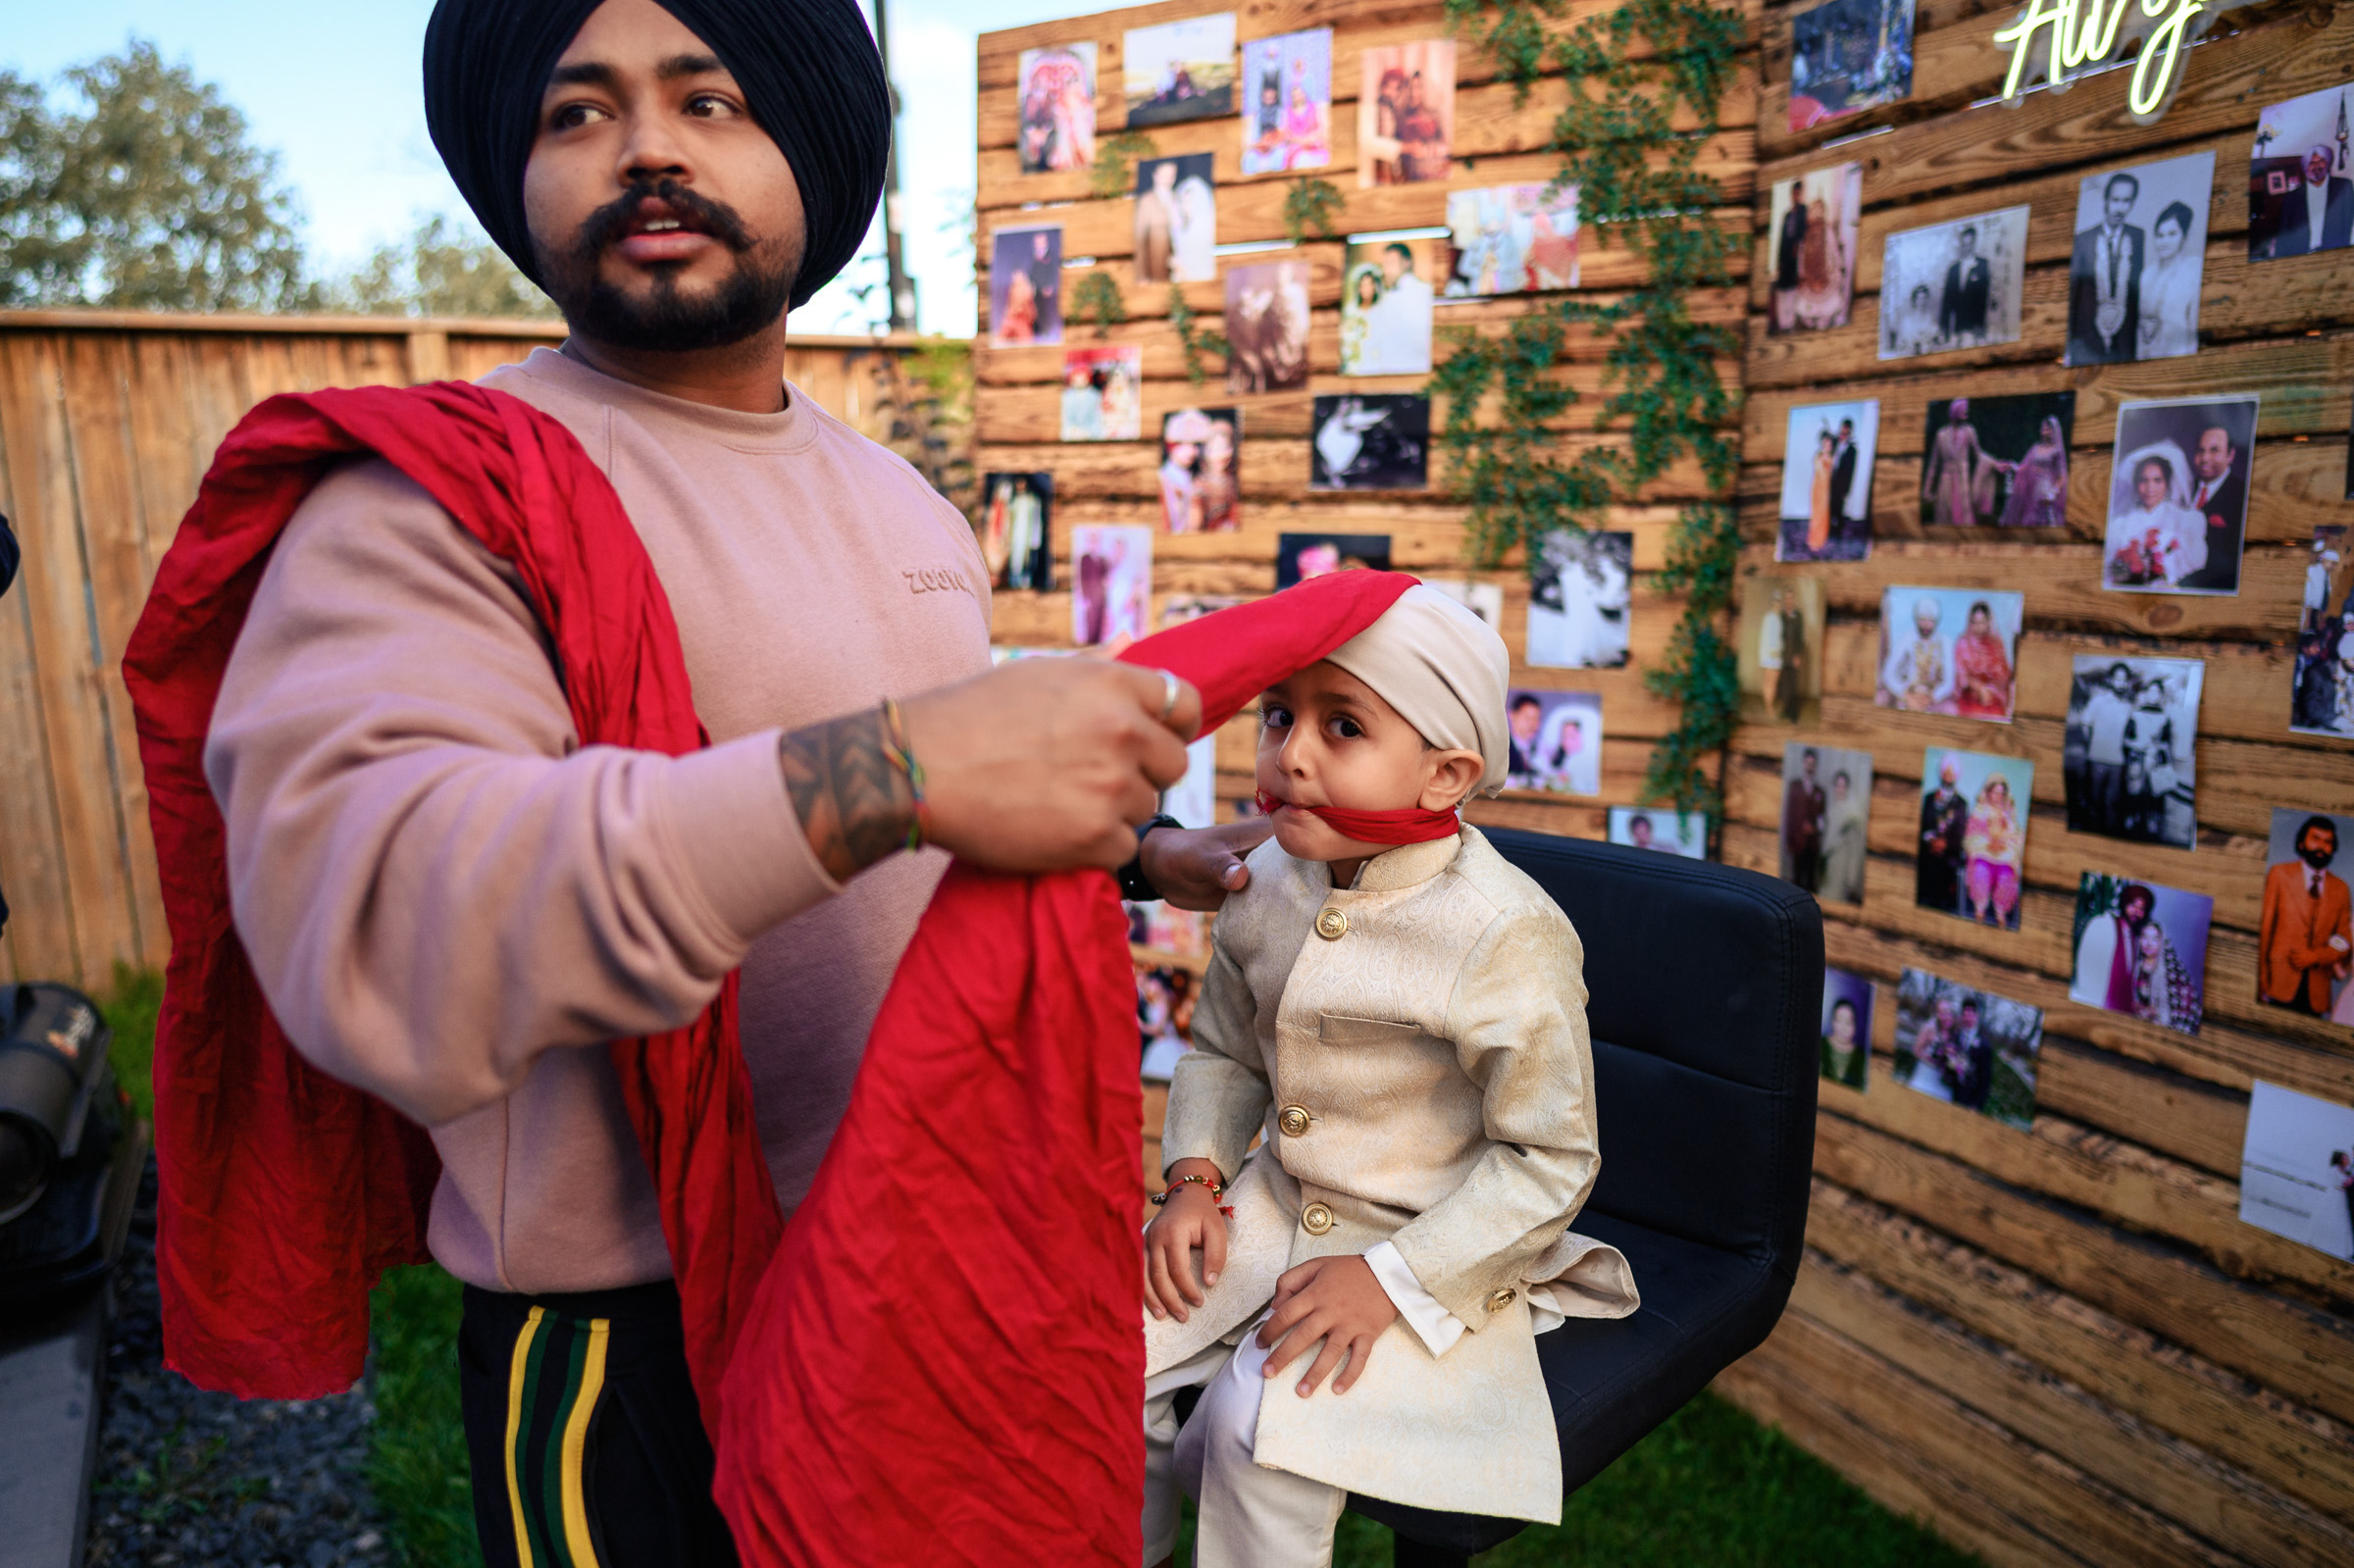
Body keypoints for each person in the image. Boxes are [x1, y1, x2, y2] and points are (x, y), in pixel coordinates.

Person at [184, 6, 1268, 1557]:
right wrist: (892, 769)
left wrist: (1144, 844)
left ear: (808, 151)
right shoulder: (432, 499)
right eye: (577, 112)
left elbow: (939, 806)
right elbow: (370, 908)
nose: (647, 149)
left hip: (917, 1241)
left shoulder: (898, 495)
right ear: (516, 167)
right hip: (628, 1326)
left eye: (712, 98)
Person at [1137, 586, 1639, 1568]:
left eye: (1344, 725)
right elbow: (1229, 1053)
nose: (1292, 753)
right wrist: (1193, 1180)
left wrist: (1392, 1282)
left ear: (1446, 773)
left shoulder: (1504, 933)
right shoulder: (1268, 881)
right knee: (1101, 1361)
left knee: (1257, 1429)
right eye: (1280, 715)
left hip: (1426, 1238)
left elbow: (1548, 1157)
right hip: (1269, 1207)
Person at [2261, 815, 2353, 1015]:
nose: (2322, 846)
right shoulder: (2279, 874)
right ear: (2302, 843)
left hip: (2316, 991)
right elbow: (2265, 929)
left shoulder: (2341, 889)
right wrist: (2260, 978)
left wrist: (2317, 956)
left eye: (2328, 842)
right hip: (2277, 982)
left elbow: (2345, 939)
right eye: (2316, 839)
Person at [2070, 172, 2144, 364]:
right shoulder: (2084, 239)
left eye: (2126, 201)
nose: (2119, 208)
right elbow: (2074, 294)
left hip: (2125, 339)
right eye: (2115, 200)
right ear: (2106, 200)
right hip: (2087, 338)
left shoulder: (2137, 236)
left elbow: (2138, 290)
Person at [2107, 449, 2207, 587]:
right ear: (2136, 483)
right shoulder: (2120, 525)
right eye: (2144, 480)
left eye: (2157, 480)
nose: (2150, 488)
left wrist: (2162, 566)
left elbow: (2195, 564)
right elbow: (2111, 573)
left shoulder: (2184, 520)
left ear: (2167, 483)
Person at [2175, 424, 2247, 592]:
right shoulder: (2183, 487)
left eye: (2214, 450)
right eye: (2200, 451)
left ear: (2230, 455)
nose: (2205, 458)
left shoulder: (2241, 496)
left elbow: (2231, 565)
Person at [2072, 882, 2156, 1012]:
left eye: (2141, 909)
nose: (2136, 912)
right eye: (2133, 905)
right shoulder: (2103, 924)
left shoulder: (2136, 939)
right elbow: (2085, 965)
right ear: (2124, 904)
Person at [2075, 662, 2135, 835]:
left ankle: (2108, 839)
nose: (2121, 683)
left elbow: (2130, 734)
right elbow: (2085, 724)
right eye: (2118, 679)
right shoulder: (2098, 701)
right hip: (2096, 760)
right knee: (2094, 801)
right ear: (2110, 680)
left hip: (2118, 763)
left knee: (2112, 803)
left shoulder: (2128, 706)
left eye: (2125, 680)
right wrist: (2092, 747)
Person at [2266, 143, 2354, 258]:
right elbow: (2284, 232)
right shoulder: (2292, 197)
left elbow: (2350, 222)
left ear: (2327, 163)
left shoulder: (2343, 187)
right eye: (2311, 163)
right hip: (2302, 254)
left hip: (2334, 253)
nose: (2317, 166)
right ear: (2305, 167)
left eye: (2321, 160)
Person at [2136, 201, 2199, 359]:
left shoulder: (2192, 271)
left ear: (2183, 236)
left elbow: (2193, 324)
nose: (2164, 242)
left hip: (2180, 358)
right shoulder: (2147, 275)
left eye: (2172, 234)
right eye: (2160, 235)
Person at [1923, 399, 2001, 528]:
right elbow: (1933, 464)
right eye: (1964, 408)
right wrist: (1927, 490)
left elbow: (1979, 455)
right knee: (1944, 516)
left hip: (1961, 481)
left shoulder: (1969, 431)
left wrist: (1995, 464)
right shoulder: (1941, 435)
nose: (1966, 411)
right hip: (1946, 481)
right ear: (1955, 410)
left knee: (1963, 517)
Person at [1965, 773, 2022, 929]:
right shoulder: (1979, 811)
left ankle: (2000, 911)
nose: (1997, 796)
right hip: (1983, 854)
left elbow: (2015, 838)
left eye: (2000, 792)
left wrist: (2004, 844)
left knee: (2006, 874)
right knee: (1980, 870)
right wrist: (1988, 844)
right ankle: (1980, 908)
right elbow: (1971, 836)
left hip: (2003, 856)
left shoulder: (2009, 813)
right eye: (1994, 792)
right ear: (1988, 792)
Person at [2128, 918, 2202, 1034]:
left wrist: (2154, 1013)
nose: (2148, 943)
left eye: (2154, 939)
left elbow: (2170, 1012)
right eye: (2145, 937)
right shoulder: (2136, 966)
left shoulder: (2169, 970)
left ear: (2161, 942)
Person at [1999, 415, 2070, 528]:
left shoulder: (2056, 450)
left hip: (2045, 487)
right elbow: (2024, 467)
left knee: (2042, 518)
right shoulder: (2035, 447)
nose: (2044, 430)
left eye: (2047, 428)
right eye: (2043, 428)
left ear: (2053, 431)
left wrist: (2053, 492)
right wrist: (2012, 466)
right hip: (2031, 487)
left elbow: (2062, 476)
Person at [1881, 596, 1951, 712]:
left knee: (1950, 709)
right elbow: (1888, 673)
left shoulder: (1945, 642)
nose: (1926, 625)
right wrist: (1907, 696)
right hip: (1909, 694)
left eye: (1931, 620)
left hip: (1934, 697)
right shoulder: (1906, 639)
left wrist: (1933, 697)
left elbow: (1949, 681)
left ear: (1937, 621)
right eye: (1922, 619)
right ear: (1916, 619)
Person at [1918, 758, 1968, 915]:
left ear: (1956, 775)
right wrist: (1931, 840)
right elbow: (1924, 826)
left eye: (1952, 772)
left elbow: (1961, 834)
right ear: (1941, 773)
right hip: (1929, 851)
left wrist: (1944, 844)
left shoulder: (1961, 803)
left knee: (1946, 871)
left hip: (1949, 854)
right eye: (1946, 770)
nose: (1948, 774)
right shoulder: (1929, 798)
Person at [1951, 599, 2014, 720]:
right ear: (1970, 622)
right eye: (1974, 622)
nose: (1978, 627)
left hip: (1993, 692)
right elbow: (1962, 676)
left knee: (1996, 712)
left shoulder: (1996, 643)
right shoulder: (1962, 643)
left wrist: (1990, 689)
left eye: (1982, 622)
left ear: (1989, 622)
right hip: (1969, 692)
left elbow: (2002, 674)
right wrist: (1979, 688)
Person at [1821, 767, 1868, 905]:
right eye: (1837, 786)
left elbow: (1855, 849)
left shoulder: (1852, 814)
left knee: (1836, 899)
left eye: (1843, 786)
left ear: (1847, 788)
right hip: (1828, 864)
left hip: (1842, 865)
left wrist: (1851, 878)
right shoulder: (1831, 808)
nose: (1839, 789)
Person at [1784, 747, 1825, 892]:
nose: (1810, 766)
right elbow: (1789, 816)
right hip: (1797, 843)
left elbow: (1822, 819)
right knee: (1796, 880)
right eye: (1807, 763)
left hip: (1812, 845)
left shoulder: (1820, 791)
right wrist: (1789, 841)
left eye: (1812, 764)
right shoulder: (1795, 787)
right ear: (1803, 763)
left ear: (1816, 766)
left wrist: (1814, 829)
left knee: (1809, 882)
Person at [1940, 225, 1991, 342]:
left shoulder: (1983, 265)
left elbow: (1983, 298)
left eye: (1970, 244)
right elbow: (1947, 300)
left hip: (1974, 325)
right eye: (1964, 245)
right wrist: (1944, 328)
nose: (1967, 248)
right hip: (1956, 324)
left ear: (1974, 243)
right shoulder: (1953, 268)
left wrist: (1979, 325)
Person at [1135, 159, 1180, 283]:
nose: (1167, 179)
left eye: (1171, 175)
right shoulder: (1146, 201)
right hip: (1156, 265)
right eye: (1164, 175)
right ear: (1156, 176)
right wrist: (1142, 274)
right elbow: (1140, 238)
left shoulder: (1178, 198)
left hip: (1178, 266)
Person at [1821, 994, 1867, 1089]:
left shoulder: (1862, 1058)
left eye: (1848, 1022)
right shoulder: (1819, 1044)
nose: (1843, 1027)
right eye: (1839, 1020)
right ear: (1832, 1021)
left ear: (1855, 1026)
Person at [1776, 589, 1809, 723]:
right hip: (1784, 655)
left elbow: (1800, 637)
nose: (1788, 601)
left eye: (1790, 598)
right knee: (1785, 685)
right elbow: (1778, 636)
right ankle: (1786, 710)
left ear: (1793, 600)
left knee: (1794, 685)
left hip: (1793, 656)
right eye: (1786, 598)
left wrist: (1798, 655)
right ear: (1785, 600)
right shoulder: (1782, 615)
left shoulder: (1798, 616)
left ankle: (1794, 714)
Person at [1827, 417, 1858, 541]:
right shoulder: (1835, 443)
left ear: (1850, 432)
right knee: (1829, 507)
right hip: (1830, 481)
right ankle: (1829, 530)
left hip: (1841, 485)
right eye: (1841, 432)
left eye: (1846, 432)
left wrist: (1847, 491)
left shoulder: (1852, 450)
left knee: (1839, 510)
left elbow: (1851, 472)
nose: (1843, 434)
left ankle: (1838, 532)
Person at [1806, 429, 1835, 553]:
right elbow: (1822, 473)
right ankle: (1813, 541)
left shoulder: (1831, 457)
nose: (1828, 445)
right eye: (1826, 443)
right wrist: (1825, 459)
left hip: (1826, 489)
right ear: (1822, 443)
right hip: (1818, 489)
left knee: (1824, 515)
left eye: (1829, 443)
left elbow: (1830, 474)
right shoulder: (1818, 456)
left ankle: (1821, 540)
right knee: (1817, 515)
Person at [1757, 587, 1786, 714]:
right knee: (1770, 680)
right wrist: (1773, 651)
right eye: (1775, 602)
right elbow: (1768, 637)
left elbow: (1780, 637)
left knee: (1773, 681)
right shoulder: (1769, 617)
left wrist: (1779, 650)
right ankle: (1768, 706)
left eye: (1779, 602)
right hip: (1770, 654)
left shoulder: (1779, 618)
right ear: (1772, 603)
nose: (1777, 604)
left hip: (1777, 654)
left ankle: (1769, 701)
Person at [1506, 693, 1544, 784]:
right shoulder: (1501, 749)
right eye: (1528, 718)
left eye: (1536, 718)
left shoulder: (1538, 750)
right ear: (1512, 715)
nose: (1532, 724)